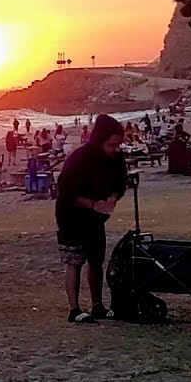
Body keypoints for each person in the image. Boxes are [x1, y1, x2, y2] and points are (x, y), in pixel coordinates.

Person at [56, 115, 128, 324]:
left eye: (119, 144)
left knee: (96, 260)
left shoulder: (116, 158)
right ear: (100, 140)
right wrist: (93, 204)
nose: (116, 149)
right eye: (112, 144)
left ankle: (97, 305)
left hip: (96, 219)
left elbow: (120, 182)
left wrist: (113, 198)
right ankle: (75, 309)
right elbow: (67, 192)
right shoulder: (78, 158)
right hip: (71, 216)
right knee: (74, 261)